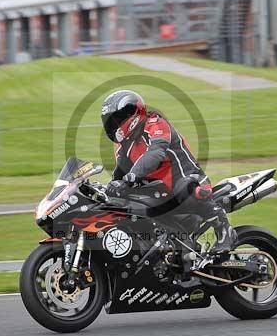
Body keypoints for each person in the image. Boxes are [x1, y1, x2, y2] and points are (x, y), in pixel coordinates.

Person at [100, 90, 236, 260]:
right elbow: (119, 174)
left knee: (186, 188)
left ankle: (223, 228)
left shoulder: (155, 123)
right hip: (160, 192)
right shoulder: (123, 146)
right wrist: (107, 191)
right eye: (110, 121)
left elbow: (155, 154)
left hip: (190, 180)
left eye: (117, 119)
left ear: (133, 112)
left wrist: (132, 176)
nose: (114, 125)